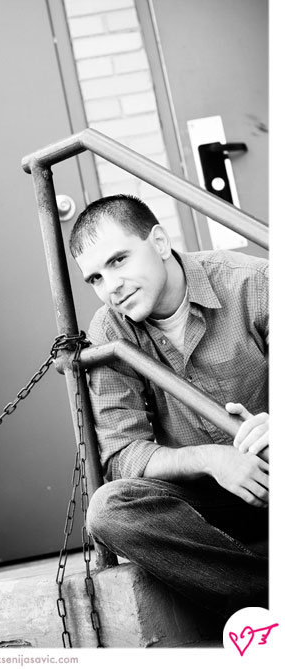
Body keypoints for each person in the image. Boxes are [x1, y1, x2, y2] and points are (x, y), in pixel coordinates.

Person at [68, 194, 268, 620]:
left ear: (159, 242)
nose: (111, 286)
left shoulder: (253, 283)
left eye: (119, 260)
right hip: (211, 504)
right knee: (110, 510)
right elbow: (123, 455)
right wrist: (213, 459)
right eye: (96, 278)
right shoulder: (109, 331)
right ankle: (266, 600)